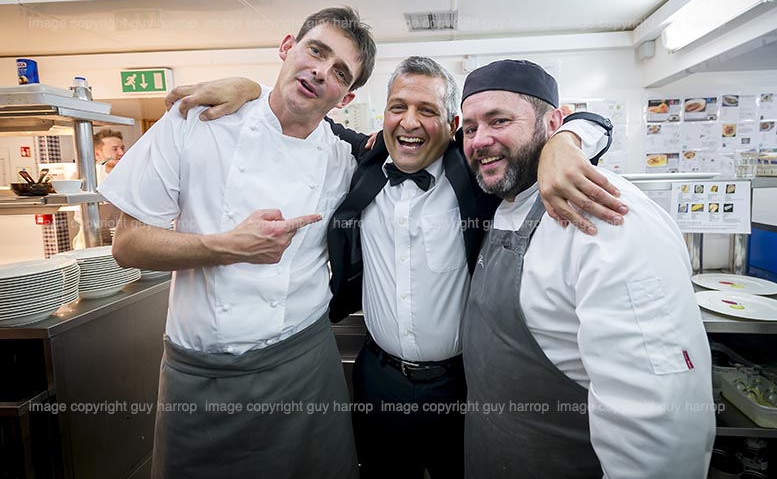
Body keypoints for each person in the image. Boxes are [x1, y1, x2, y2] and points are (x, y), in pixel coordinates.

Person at [164, 56, 623, 479]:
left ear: (452, 124)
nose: (409, 122)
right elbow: (302, 109)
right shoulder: (361, 161)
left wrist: (567, 139)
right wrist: (252, 85)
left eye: (426, 110)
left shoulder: (481, 177)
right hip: (377, 380)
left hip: (462, 383)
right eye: (397, 107)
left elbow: (591, 124)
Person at [99, 6, 377, 479]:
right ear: (288, 46)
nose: (319, 73)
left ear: (344, 97)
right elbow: (127, 244)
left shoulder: (344, 158)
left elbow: (423, 141)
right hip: (203, 377)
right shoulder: (196, 120)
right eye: (316, 51)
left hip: (304, 368)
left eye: (338, 73)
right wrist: (227, 246)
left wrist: (555, 136)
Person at [458, 59, 715, 478]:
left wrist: (571, 138)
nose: (480, 140)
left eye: (499, 120)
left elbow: (659, 412)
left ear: (553, 123)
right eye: (469, 129)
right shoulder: (501, 198)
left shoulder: (606, 215)